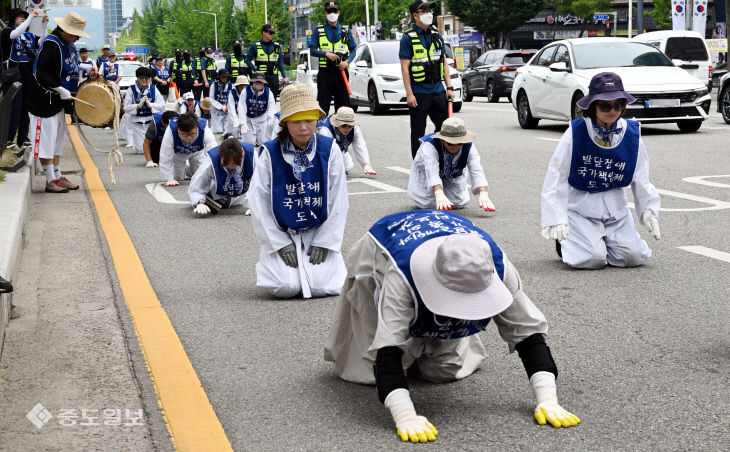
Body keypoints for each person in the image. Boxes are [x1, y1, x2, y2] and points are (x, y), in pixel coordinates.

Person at [325, 210, 581, 443]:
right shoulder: (401, 275)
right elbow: (388, 349)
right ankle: (412, 346)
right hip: (383, 247)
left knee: (446, 370)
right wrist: (405, 415)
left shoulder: (498, 267)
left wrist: (547, 399)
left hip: (446, 243)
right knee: (368, 371)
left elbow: (527, 332)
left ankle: (420, 344)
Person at [541, 72, 661, 270]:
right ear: (593, 106)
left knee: (633, 257)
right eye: (605, 105)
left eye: (618, 105)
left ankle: (603, 241)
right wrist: (557, 218)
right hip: (581, 209)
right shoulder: (576, 131)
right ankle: (567, 243)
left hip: (616, 209)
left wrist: (649, 210)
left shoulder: (631, 132)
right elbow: (557, 175)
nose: (612, 111)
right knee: (593, 259)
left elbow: (640, 174)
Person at [248, 83, 348, 299]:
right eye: (296, 121)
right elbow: (259, 202)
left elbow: (338, 199)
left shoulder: (329, 149)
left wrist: (325, 241)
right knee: (285, 286)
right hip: (283, 232)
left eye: (309, 121)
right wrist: (279, 243)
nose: (304, 128)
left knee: (323, 286)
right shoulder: (268, 153)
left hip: (318, 230)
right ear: (285, 123)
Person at [27, 12, 89, 193]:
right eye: (76, 34)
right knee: (46, 140)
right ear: (66, 30)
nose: (77, 38)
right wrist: (59, 88)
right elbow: (42, 73)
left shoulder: (67, 44)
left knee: (56, 141)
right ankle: (49, 179)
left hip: (58, 101)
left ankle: (57, 174)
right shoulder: (51, 44)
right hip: (43, 101)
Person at [400, 0, 455, 158]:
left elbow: (443, 62)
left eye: (430, 10)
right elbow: (405, 69)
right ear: (415, 16)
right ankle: (419, 163)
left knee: (444, 127)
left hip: (438, 90)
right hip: (419, 92)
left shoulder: (437, 35)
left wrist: (449, 88)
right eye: (424, 11)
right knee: (418, 130)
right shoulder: (408, 39)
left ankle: (442, 158)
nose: (428, 13)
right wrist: (409, 94)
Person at [408, 117, 496, 212]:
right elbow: (431, 170)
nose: (454, 146)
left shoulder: (469, 146)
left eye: (458, 143)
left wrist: (483, 193)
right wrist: (438, 193)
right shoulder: (430, 145)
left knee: (458, 203)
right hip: (426, 173)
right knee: (429, 204)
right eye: (450, 143)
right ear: (443, 139)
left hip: (453, 171)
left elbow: (476, 169)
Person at [1, 8, 48, 148]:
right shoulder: (7, 31)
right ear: (12, 18)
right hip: (13, 76)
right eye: (19, 16)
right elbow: (15, 33)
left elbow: (42, 43)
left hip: (27, 75)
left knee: (25, 109)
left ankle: (23, 138)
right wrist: (30, 18)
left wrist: (44, 25)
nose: (22, 18)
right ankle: (8, 139)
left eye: (24, 16)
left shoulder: (28, 36)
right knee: (14, 108)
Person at [308, 1, 357, 114]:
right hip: (325, 74)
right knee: (323, 106)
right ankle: (323, 130)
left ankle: (339, 131)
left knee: (342, 108)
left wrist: (347, 61)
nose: (332, 13)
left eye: (334, 11)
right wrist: (326, 54)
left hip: (341, 72)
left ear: (338, 12)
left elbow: (354, 50)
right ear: (325, 13)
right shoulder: (319, 31)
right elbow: (313, 51)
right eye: (329, 11)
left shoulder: (345, 30)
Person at [188, 134, 255, 215]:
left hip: (241, 191)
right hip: (218, 192)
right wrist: (199, 202)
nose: (230, 166)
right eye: (226, 163)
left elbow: (260, 183)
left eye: (234, 163)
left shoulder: (252, 155)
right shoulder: (212, 159)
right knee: (209, 209)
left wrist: (256, 206)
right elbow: (197, 183)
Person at [159, 112, 216, 187]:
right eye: (185, 134)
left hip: (197, 153)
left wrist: (215, 175)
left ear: (196, 128)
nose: (189, 138)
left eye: (192, 134)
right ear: (179, 130)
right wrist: (168, 178)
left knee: (201, 176)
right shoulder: (171, 130)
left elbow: (213, 152)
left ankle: (188, 168)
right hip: (179, 155)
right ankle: (183, 168)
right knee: (178, 178)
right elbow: (165, 156)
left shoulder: (204, 128)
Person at [317, 107, 376, 175]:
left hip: (339, 149)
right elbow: (326, 152)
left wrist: (366, 164)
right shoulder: (324, 130)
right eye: (344, 125)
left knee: (348, 166)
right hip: (320, 153)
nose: (347, 129)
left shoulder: (355, 128)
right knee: (332, 171)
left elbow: (360, 144)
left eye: (350, 126)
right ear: (337, 123)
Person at [123, 67, 165, 155]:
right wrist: (137, 106)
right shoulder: (131, 89)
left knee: (153, 149)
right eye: (141, 78)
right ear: (137, 78)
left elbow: (162, 105)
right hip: (137, 123)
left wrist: (151, 105)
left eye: (146, 78)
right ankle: (136, 143)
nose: (144, 80)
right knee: (140, 150)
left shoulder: (154, 88)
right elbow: (126, 107)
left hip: (150, 123)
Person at [247, 24, 289, 98]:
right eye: (270, 32)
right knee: (260, 100)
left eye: (273, 33)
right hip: (261, 79)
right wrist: (256, 71)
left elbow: (280, 63)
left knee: (273, 101)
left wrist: (284, 77)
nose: (272, 35)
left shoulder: (277, 46)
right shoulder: (255, 46)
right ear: (264, 32)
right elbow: (247, 60)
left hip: (274, 78)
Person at [237, 71, 276, 146]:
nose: (259, 84)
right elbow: (242, 108)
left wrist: (271, 123)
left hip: (262, 120)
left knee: (262, 143)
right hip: (249, 120)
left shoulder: (268, 92)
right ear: (252, 82)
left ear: (264, 83)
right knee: (250, 143)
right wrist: (242, 123)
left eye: (261, 82)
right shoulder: (245, 91)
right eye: (256, 82)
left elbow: (272, 109)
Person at [209, 69, 232, 134]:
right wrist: (221, 107)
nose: (224, 78)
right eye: (222, 77)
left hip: (227, 110)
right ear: (219, 77)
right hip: (216, 110)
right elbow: (211, 99)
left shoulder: (231, 85)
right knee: (218, 130)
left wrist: (228, 106)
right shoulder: (214, 85)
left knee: (227, 131)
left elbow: (233, 98)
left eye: (225, 77)